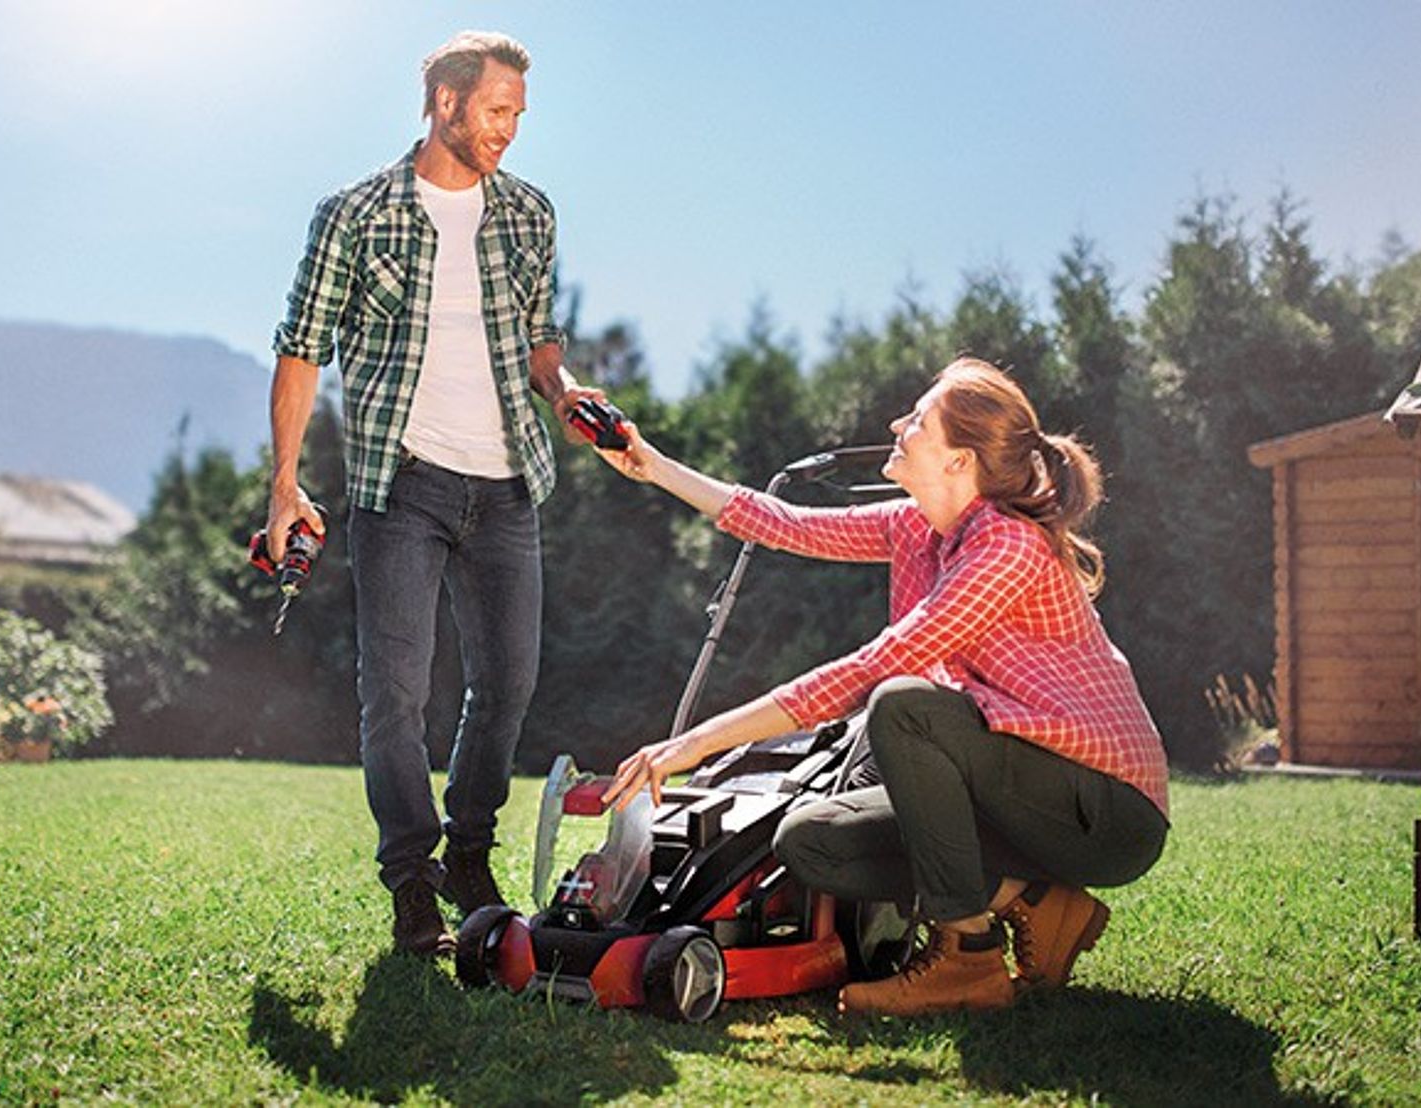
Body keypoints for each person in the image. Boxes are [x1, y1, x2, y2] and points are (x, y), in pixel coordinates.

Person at [598, 358, 1170, 1016]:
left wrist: (693, 744)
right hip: (1011, 783)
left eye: (918, 420)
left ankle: (969, 960)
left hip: (1103, 809)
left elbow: (877, 666)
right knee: (810, 840)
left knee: (901, 707)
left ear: (959, 460)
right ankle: (1037, 903)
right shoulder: (920, 528)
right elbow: (788, 524)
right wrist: (652, 464)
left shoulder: (1007, 549)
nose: (899, 424)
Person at [266, 31, 603, 956]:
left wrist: (564, 392)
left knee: (506, 687)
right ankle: (411, 880)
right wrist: (283, 486)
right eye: (497, 111)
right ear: (446, 103)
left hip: (506, 487)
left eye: (518, 116)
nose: (508, 132)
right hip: (400, 485)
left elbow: (538, 339)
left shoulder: (530, 214)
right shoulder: (356, 215)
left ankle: (469, 852)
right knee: (396, 696)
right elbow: (301, 348)